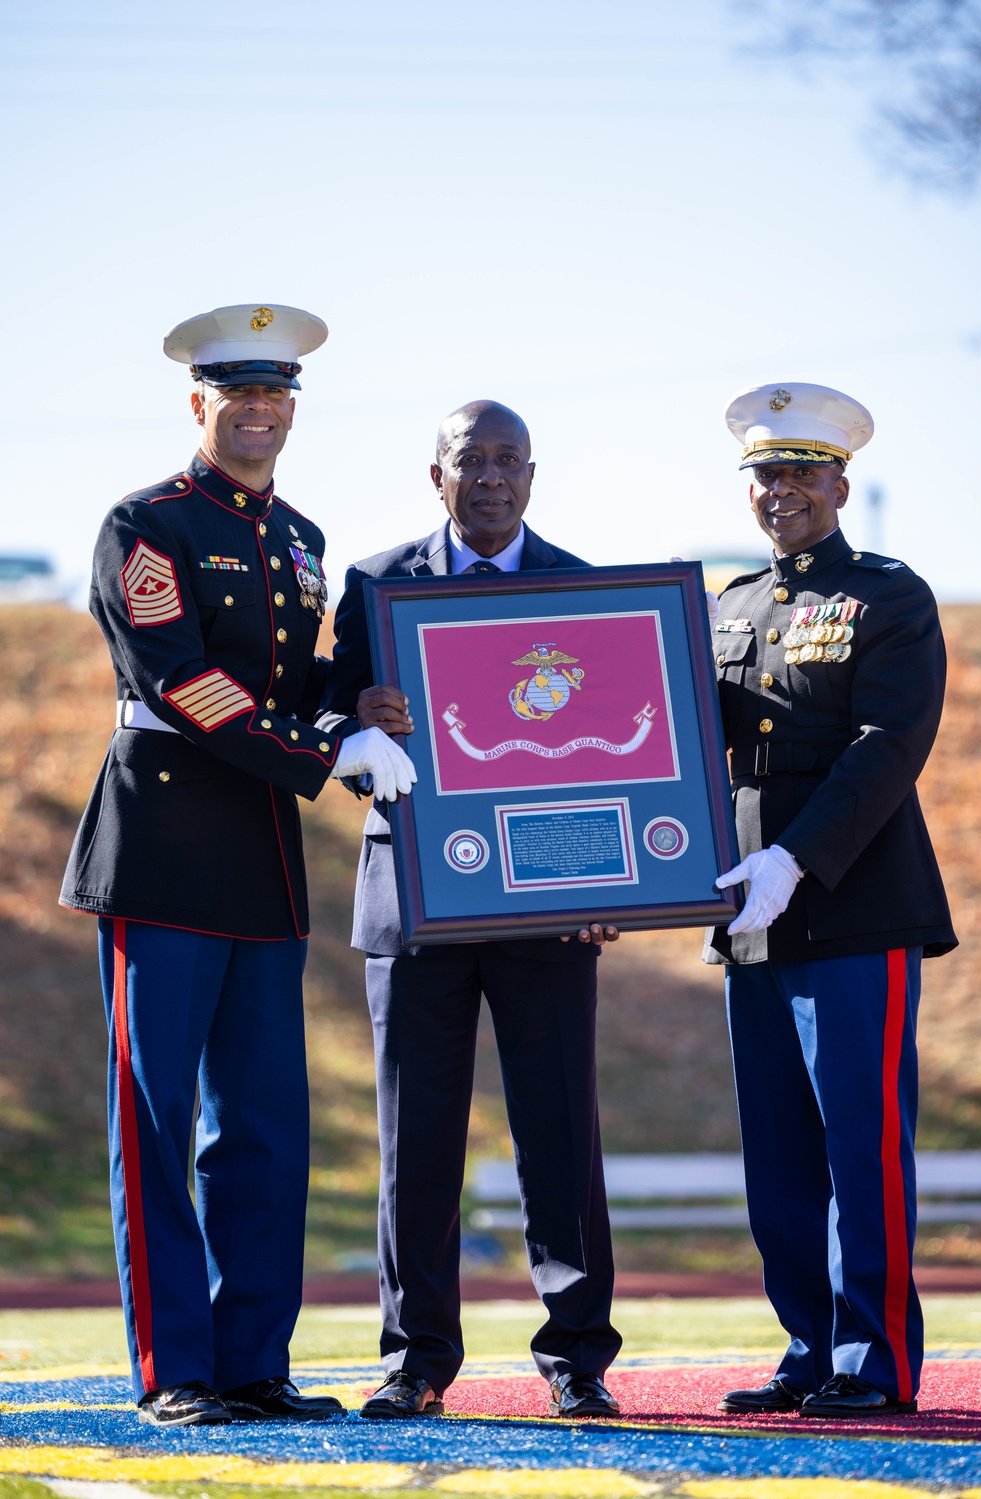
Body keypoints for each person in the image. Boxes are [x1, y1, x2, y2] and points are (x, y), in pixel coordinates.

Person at [60, 304, 416, 1427]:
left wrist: (350, 704)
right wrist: (325, 746)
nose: (261, 411)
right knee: (156, 1119)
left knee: (263, 1123)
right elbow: (182, 683)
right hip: (162, 845)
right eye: (240, 394)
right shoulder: (145, 524)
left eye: (279, 395)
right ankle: (178, 1367)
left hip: (259, 855)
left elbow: (283, 677)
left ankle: (255, 1357)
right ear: (199, 402)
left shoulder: (301, 538)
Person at [315, 399, 623, 1420]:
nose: (490, 476)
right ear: (433, 473)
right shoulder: (373, 584)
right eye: (469, 459)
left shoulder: (582, 588)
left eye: (508, 460)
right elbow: (325, 710)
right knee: (416, 1140)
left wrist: (607, 880)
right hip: (411, 899)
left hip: (546, 906)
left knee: (558, 1131)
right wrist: (352, 716)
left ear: (531, 475)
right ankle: (415, 1359)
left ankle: (577, 1354)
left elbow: (615, 753)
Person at [706, 382, 956, 1419]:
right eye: (766, 472)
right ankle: (807, 1343)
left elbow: (886, 746)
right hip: (749, 911)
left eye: (802, 471)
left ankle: (875, 1355)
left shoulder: (888, 596)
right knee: (778, 1149)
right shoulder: (727, 606)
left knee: (858, 1135)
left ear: (840, 483)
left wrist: (795, 856)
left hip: (850, 899)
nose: (782, 490)